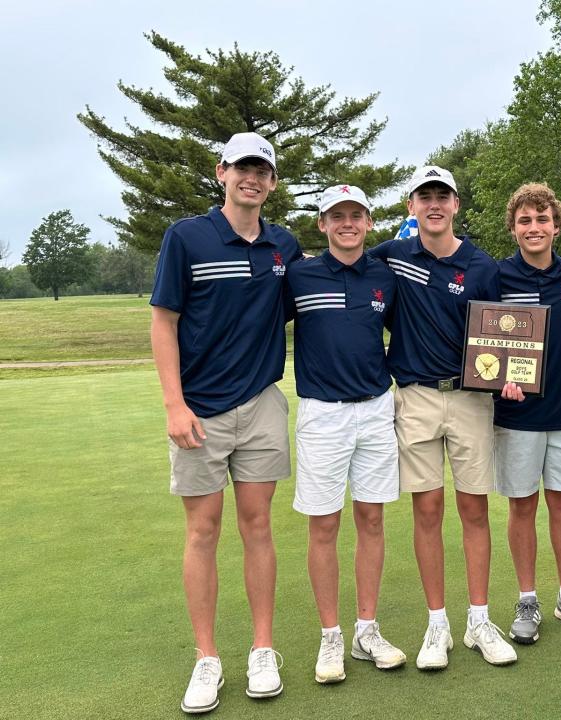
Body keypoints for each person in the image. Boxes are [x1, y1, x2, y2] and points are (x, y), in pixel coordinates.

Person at [150, 132, 301, 713]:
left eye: (262, 170)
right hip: (199, 410)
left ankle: (262, 649)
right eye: (243, 167)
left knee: (258, 526)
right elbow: (164, 321)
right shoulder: (186, 236)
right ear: (222, 173)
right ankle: (207, 658)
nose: (252, 178)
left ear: (272, 181)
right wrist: (173, 403)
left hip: (261, 404)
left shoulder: (283, 245)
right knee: (203, 530)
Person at [368, 166, 517, 668]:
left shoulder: (481, 265)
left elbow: (504, 335)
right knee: (427, 510)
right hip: (415, 397)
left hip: (472, 398)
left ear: (456, 205)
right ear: (411, 205)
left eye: (443, 196)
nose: (434, 204)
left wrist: (512, 373)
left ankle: (479, 619)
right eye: (424, 196)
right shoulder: (391, 257)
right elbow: (342, 266)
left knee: (474, 510)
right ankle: (438, 625)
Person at [286, 184, 406, 685]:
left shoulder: (384, 275)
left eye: (356, 214)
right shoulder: (298, 274)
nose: (347, 223)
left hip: (376, 408)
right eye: (338, 216)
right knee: (324, 525)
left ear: (369, 221)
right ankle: (330, 634)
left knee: (372, 519)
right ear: (322, 224)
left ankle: (366, 629)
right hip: (322, 413)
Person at [495, 183, 561, 645]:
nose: (534, 227)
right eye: (525, 220)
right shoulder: (495, 277)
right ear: (514, 228)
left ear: (556, 226)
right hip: (515, 414)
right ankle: (527, 598)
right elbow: (484, 343)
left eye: (542, 219)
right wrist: (494, 374)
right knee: (522, 505)